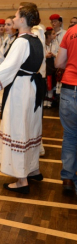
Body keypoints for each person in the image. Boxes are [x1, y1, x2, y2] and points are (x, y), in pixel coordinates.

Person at [0, 3, 44, 194]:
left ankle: (22, 180)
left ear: (22, 19)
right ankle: (33, 168)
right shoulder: (36, 38)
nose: (14, 17)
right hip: (32, 87)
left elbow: (8, 67)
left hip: (20, 89)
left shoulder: (21, 41)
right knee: (30, 126)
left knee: (18, 128)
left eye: (16, 14)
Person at [55, 22, 77, 194]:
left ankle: (68, 178)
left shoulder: (71, 32)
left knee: (70, 135)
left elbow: (59, 63)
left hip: (70, 88)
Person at [44, 28, 58, 108]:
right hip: (45, 67)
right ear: (48, 36)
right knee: (45, 84)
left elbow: (58, 52)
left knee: (51, 84)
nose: (54, 35)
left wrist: (54, 54)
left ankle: (49, 101)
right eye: (53, 34)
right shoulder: (42, 44)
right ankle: (44, 100)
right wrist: (46, 56)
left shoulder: (55, 43)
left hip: (52, 66)